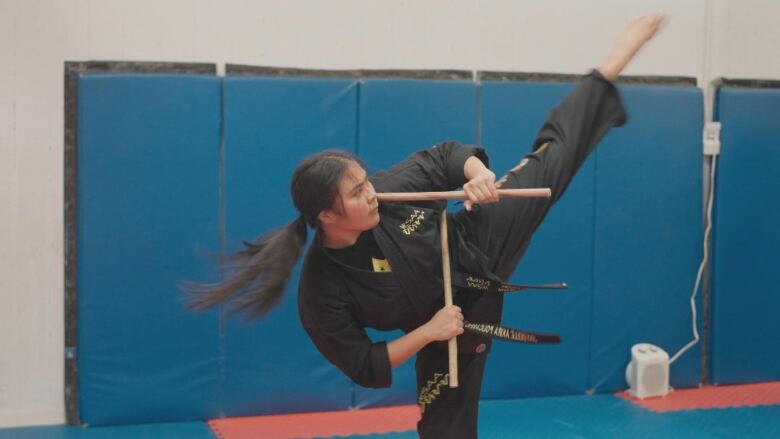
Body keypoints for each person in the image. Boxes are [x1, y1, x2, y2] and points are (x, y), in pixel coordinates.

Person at [187, 14, 667, 438]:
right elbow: (364, 363)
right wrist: (431, 332)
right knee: (444, 432)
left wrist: (477, 177)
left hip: (476, 241)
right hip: (443, 329)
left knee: (552, 161)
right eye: (355, 193)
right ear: (326, 217)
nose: (370, 192)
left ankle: (608, 70)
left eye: (363, 181)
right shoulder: (321, 291)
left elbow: (444, 158)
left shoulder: (386, 193)